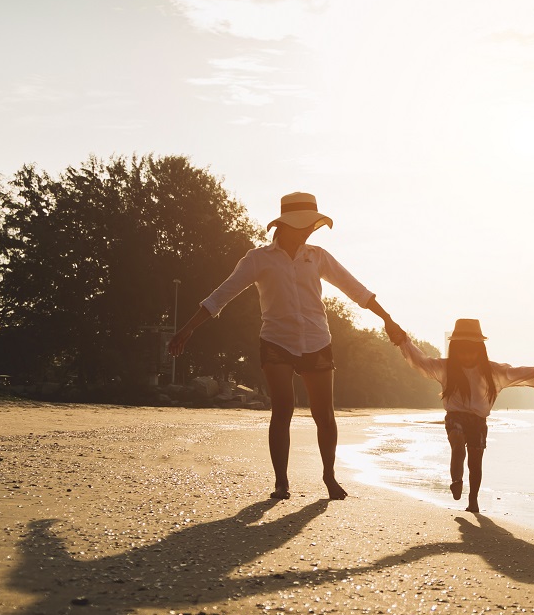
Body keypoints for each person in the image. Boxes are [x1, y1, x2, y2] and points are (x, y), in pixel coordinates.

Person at [168, 191, 406, 501]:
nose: (310, 230)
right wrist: (187, 329)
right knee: (283, 409)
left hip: (317, 340)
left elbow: (354, 288)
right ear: (286, 225)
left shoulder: (317, 256)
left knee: (325, 415)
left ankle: (329, 477)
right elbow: (222, 294)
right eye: (304, 225)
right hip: (277, 341)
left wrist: (387, 319)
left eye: (312, 225)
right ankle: (282, 483)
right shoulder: (258, 259)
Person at [393, 318, 534, 513]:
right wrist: (404, 341)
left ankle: (473, 501)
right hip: (455, 417)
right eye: (462, 350)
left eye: (472, 350)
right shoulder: (446, 367)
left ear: (480, 350)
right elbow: (421, 361)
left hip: (478, 422)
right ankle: (456, 480)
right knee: (457, 446)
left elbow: (515, 372)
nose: (467, 355)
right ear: (454, 348)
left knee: (475, 463)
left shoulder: (491, 370)